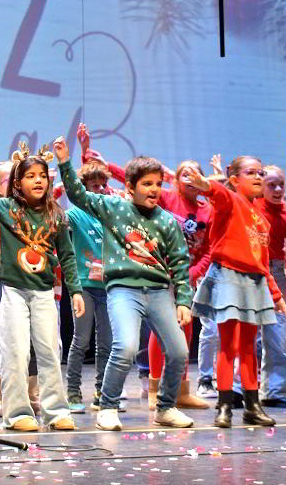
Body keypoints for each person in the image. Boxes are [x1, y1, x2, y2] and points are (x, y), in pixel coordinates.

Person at [56, 136, 195, 431]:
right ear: (130, 187)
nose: (154, 189)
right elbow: (78, 195)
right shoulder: (113, 208)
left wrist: (183, 301)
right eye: (147, 184)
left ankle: (166, 407)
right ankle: (107, 406)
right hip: (123, 288)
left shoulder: (168, 222)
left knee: (179, 351)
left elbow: (181, 263)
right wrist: (65, 162)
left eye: (157, 183)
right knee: (126, 346)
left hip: (158, 291)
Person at [0, 144, 83, 431]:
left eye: (42, 175)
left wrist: (76, 291)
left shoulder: (56, 215)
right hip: (12, 290)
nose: (38, 180)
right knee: (16, 351)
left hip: (44, 291)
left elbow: (68, 255)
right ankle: (17, 412)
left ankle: (57, 411)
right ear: (17, 183)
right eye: (30, 176)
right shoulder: (7, 208)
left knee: (49, 350)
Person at [184, 157, 286, 428]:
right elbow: (216, 192)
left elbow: (262, 262)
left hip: (253, 283)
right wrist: (204, 184)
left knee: (250, 347)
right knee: (228, 345)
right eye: (250, 172)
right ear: (234, 179)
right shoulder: (229, 200)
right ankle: (225, 405)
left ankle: (252, 405)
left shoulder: (262, 220)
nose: (257, 177)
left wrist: (275, 294)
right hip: (228, 276)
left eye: (260, 172)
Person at [64, 160, 114, 413]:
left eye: (103, 185)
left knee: (106, 342)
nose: (100, 189)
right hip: (84, 285)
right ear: (84, 188)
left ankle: (102, 392)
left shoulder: (110, 213)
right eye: (94, 185)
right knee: (81, 339)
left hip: (107, 286)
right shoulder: (74, 214)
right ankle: (73, 392)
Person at [256, 164, 286, 407]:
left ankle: (275, 390)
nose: (277, 189)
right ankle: (243, 389)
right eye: (271, 184)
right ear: (261, 186)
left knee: (277, 337)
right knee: (250, 336)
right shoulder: (252, 208)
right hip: (252, 270)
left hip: (276, 272)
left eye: (281, 184)